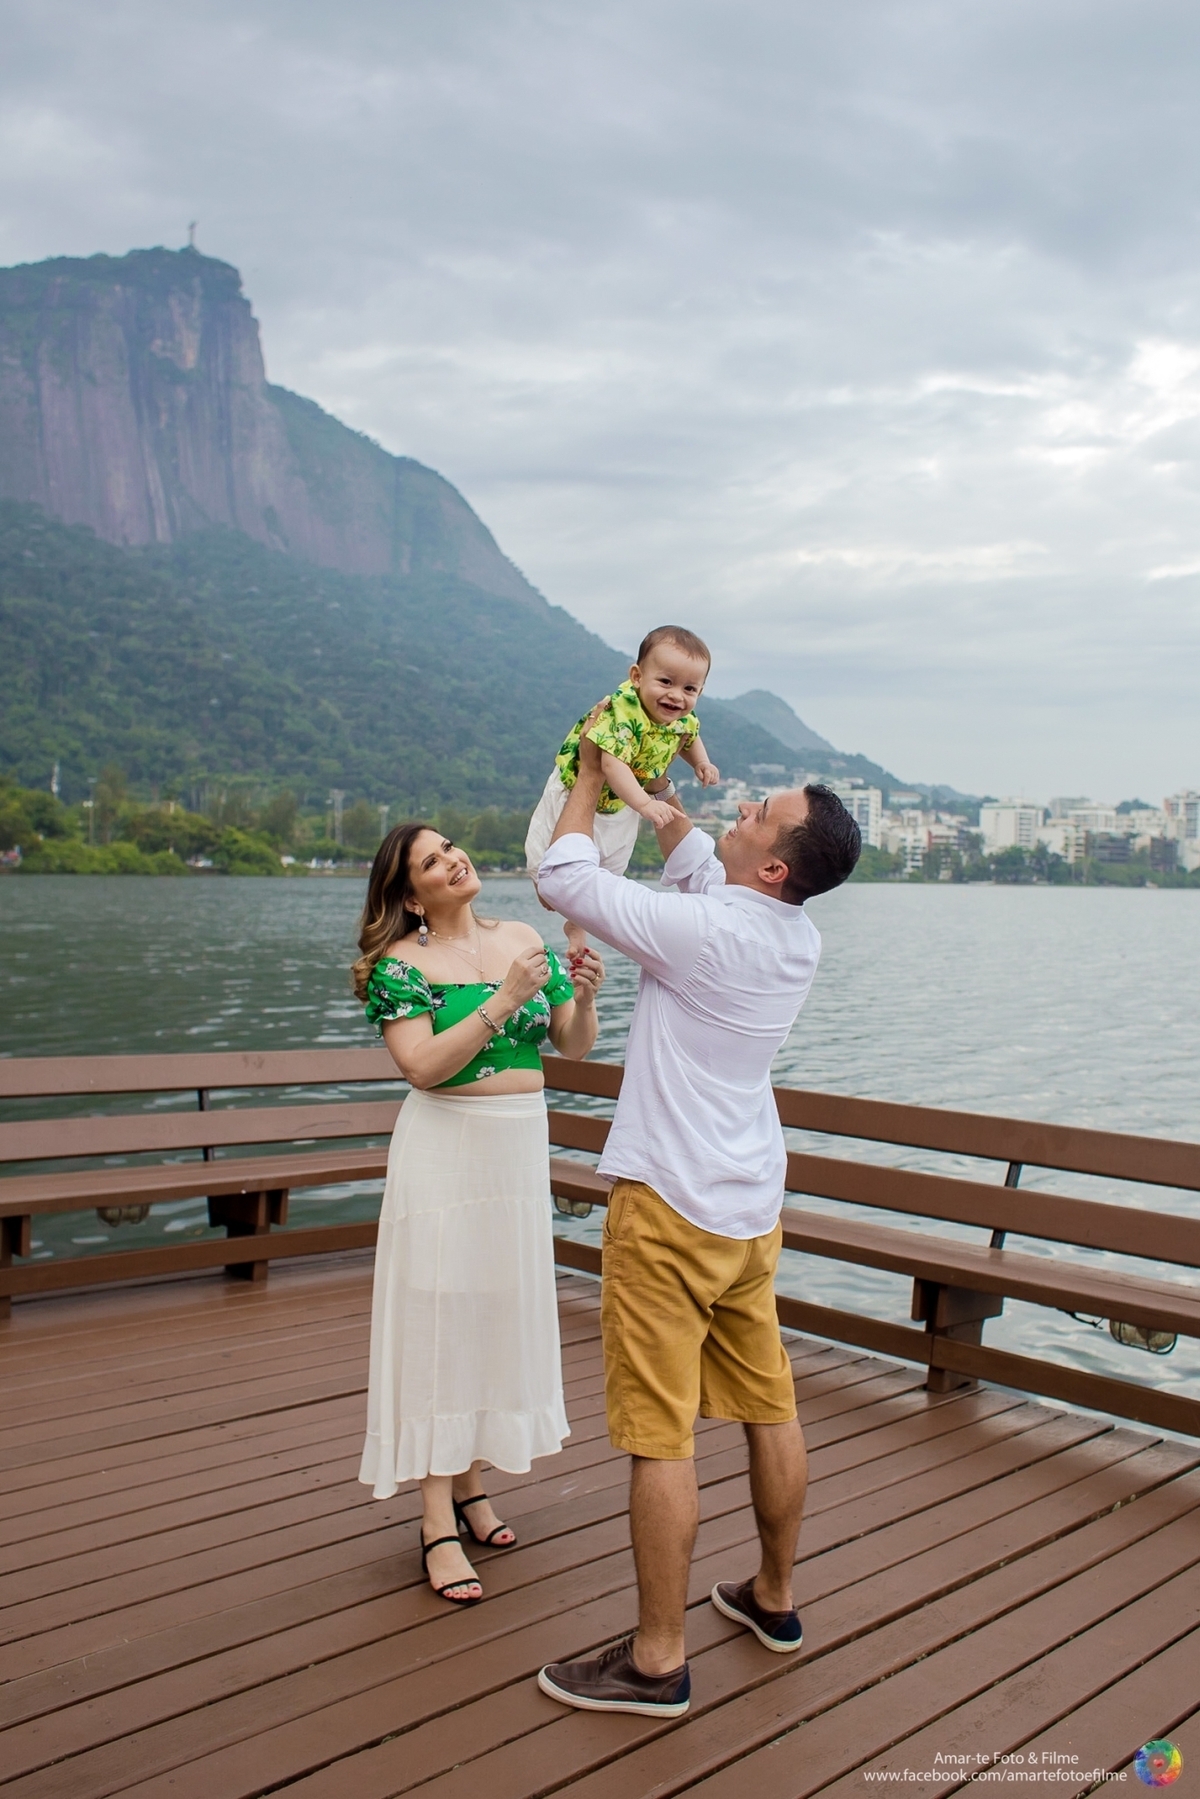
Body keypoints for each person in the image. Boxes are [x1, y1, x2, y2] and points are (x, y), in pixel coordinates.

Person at [533, 736, 860, 1715]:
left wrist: (592, 783)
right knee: (770, 1404)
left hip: (669, 1205)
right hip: (749, 1206)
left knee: (659, 1433)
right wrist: (659, 798)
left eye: (760, 812)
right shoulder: (790, 931)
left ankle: (657, 1657)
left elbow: (563, 873)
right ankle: (774, 1594)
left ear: (771, 865)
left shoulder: (704, 932)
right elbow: (702, 858)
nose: (744, 807)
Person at [352, 821, 604, 1605]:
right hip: (445, 1151)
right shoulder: (402, 964)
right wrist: (505, 998)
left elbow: (574, 1047)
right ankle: (434, 1518)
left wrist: (584, 991)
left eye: (450, 846)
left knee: (492, 1310)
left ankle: (470, 1484)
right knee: (439, 1318)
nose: (453, 859)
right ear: (408, 893)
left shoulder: (524, 937)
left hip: (518, 1149)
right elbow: (422, 1066)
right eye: (431, 861)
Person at [524, 626, 721, 954]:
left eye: (690, 688)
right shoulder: (622, 712)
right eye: (666, 682)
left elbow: (688, 736)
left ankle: (577, 925)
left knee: (606, 874)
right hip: (577, 789)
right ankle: (552, 894)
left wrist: (701, 762)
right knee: (546, 864)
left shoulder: (679, 716)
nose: (676, 696)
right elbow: (610, 765)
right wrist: (645, 804)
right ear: (637, 676)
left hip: (621, 801)